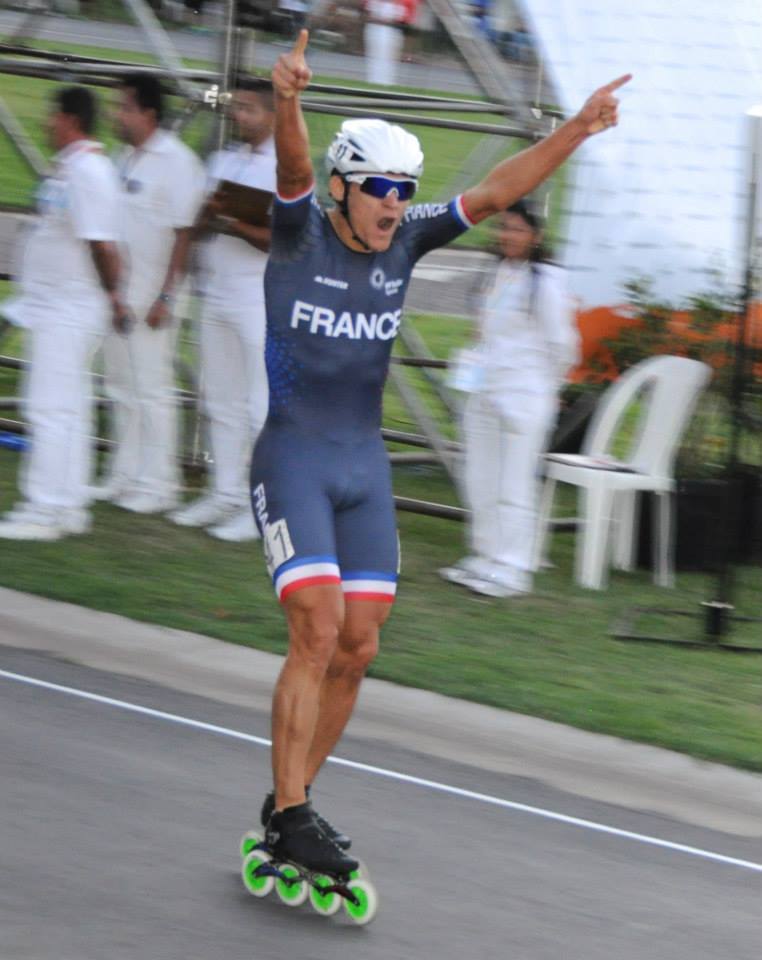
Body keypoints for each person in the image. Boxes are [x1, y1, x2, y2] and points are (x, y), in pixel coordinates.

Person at [253, 29, 628, 873]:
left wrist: (575, 128)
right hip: (295, 463)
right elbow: (288, 172)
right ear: (343, 188)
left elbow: (496, 192)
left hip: (362, 466)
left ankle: (289, 810)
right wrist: (286, 101)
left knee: (359, 646)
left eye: (405, 190)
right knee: (314, 631)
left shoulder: (409, 239)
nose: (395, 204)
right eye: (380, 189)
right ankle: (294, 809)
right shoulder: (298, 235)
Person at [0, 86, 124, 542]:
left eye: (52, 116)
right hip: (57, 305)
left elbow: (103, 244)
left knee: (48, 408)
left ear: (70, 119)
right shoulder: (74, 168)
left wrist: (112, 295)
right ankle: (68, 505)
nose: (46, 123)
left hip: (68, 308)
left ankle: (44, 509)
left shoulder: (87, 171)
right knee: (68, 409)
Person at [440, 202, 579, 598]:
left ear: (535, 236)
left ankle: (513, 566)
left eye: (518, 230)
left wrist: (544, 388)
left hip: (524, 396)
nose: (508, 236)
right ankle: (484, 555)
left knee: (515, 483)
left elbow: (563, 346)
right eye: (504, 228)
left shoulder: (546, 282)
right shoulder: (495, 272)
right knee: (479, 476)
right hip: (485, 390)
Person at [170, 78, 276, 542]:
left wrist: (233, 221)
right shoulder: (222, 160)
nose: (238, 116)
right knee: (220, 400)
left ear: (273, 114)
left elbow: (283, 241)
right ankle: (224, 491)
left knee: (259, 407)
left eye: (249, 109)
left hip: (259, 299)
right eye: (236, 108)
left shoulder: (287, 171)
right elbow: (194, 225)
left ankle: (262, 509)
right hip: (216, 292)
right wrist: (208, 214)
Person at [96, 73, 204, 514]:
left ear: (148, 114)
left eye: (124, 107)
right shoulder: (124, 156)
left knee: (152, 389)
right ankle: (124, 475)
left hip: (152, 296)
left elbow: (185, 234)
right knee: (119, 385)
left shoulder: (177, 161)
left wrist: (167, 297)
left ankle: (160, 484)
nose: (116, 115)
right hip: (118, 293)